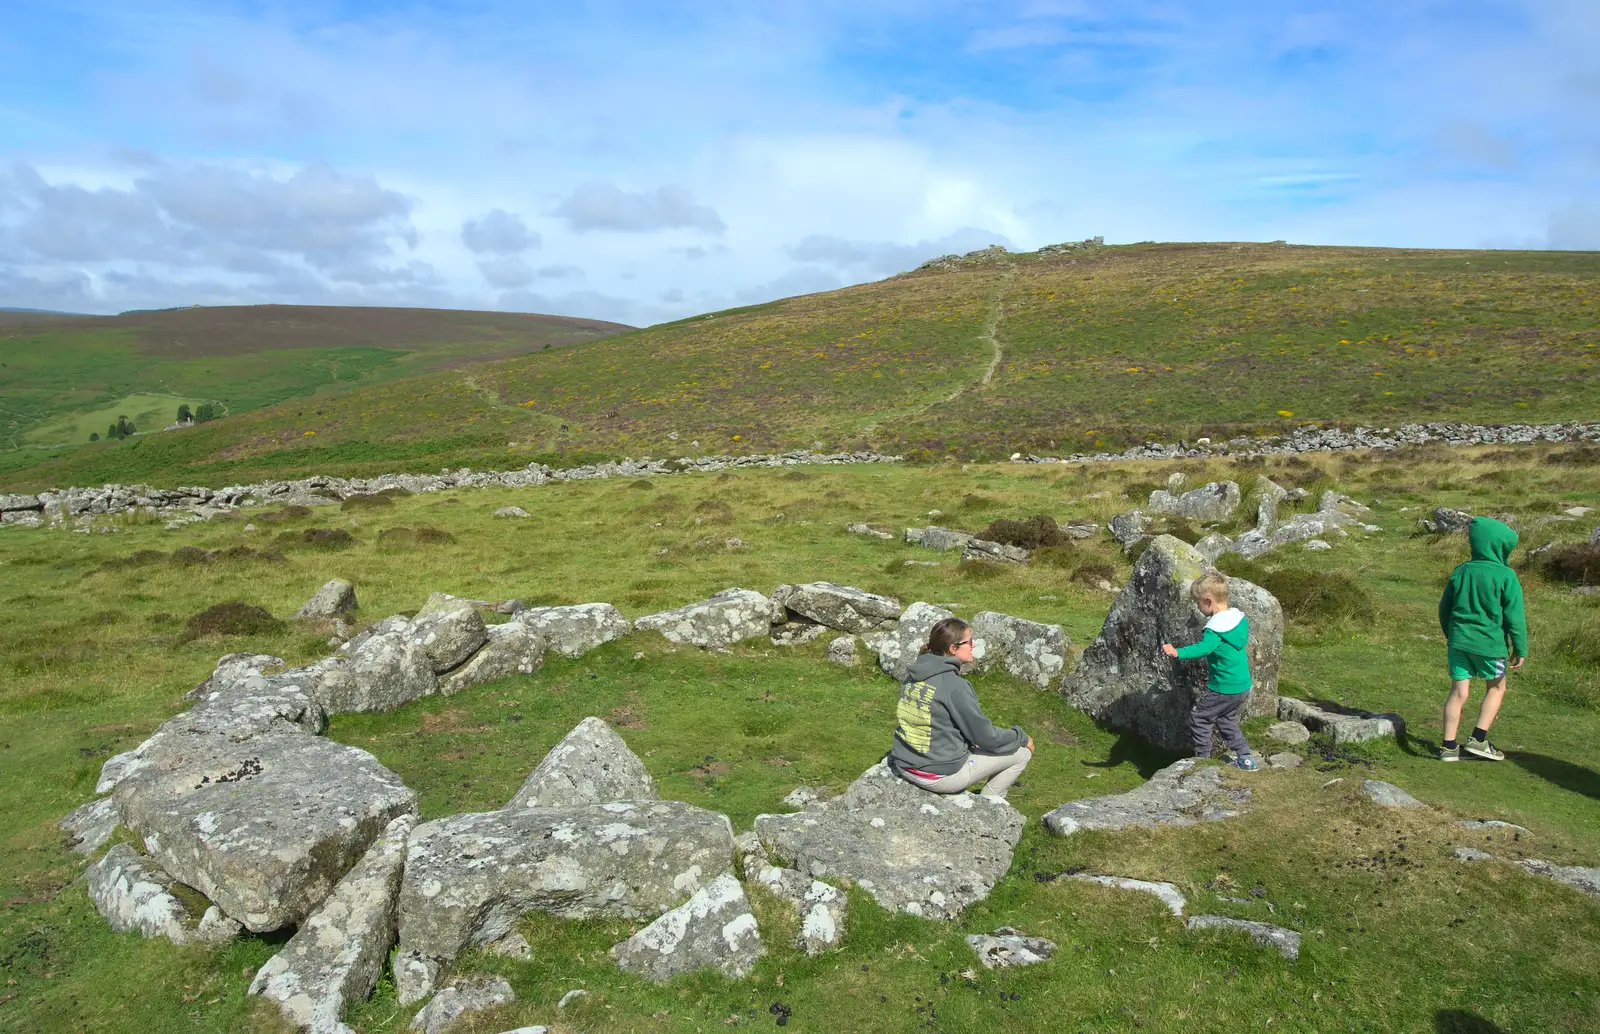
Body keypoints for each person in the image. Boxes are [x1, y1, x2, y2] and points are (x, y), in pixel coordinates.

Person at [888, 617, 1033, 798]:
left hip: (904, 762)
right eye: (969, 642)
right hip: (936, 774)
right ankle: (988, 806)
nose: (973, 645)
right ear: (953, 649)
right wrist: (1020, 737)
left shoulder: (916, 672)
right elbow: (986, 737)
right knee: (1022, 753)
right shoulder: (954, 685)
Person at [1437, 516, 1528, 762]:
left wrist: (1452, 634)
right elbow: (1514, 617)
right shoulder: (1506, 576)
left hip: (1458, 642)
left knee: (1458, 692)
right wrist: (1520, 647)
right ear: (1499, 547)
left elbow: (1444, 609)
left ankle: (1448, 747)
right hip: (1490, 645)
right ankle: (1478, 740)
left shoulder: (1461, 571)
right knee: (1497, 687)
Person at [1161, 571, 1258, 771]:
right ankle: (1246, 758)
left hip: (1224, 687)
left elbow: (1202, 648)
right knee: (1226, 719)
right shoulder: (1238, 620)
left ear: (1208, 601)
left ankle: (1201, 761)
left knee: (1200, 717)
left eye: (1198, 603)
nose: (1198, 607)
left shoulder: (1215, 628)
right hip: (1242, 686)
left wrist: (1177, 652)